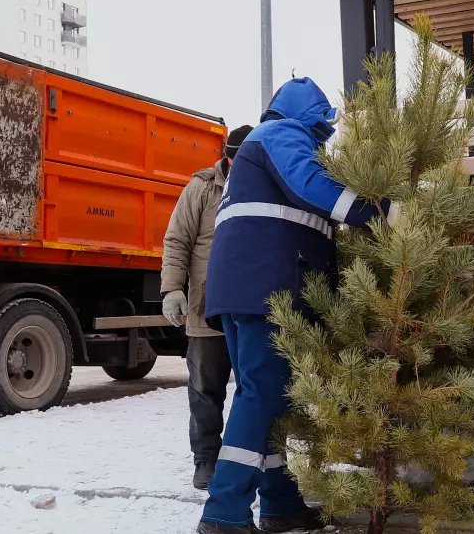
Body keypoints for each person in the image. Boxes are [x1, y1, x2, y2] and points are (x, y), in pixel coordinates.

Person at [197, 78, 400, 534]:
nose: (322, 139)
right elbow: (311, 187)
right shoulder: (279, 134)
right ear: (306, 115)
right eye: (321, 128)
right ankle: (224, 512)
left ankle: (280, 503)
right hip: (266, 291)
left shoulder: (259, 151)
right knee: (261, 393)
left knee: (271, 397)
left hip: (251, 288)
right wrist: (384, 213)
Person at [162, 124, 254, 490]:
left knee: (253, 389)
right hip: (205, 305)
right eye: (234, 158)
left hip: (248, 306)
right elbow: (177, 240)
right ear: (226, 155)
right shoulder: (201, 189)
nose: (238, 164)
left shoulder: (262, 184)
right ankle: (206, 460)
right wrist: (172, 289)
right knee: (205, 387)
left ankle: (244, 459)